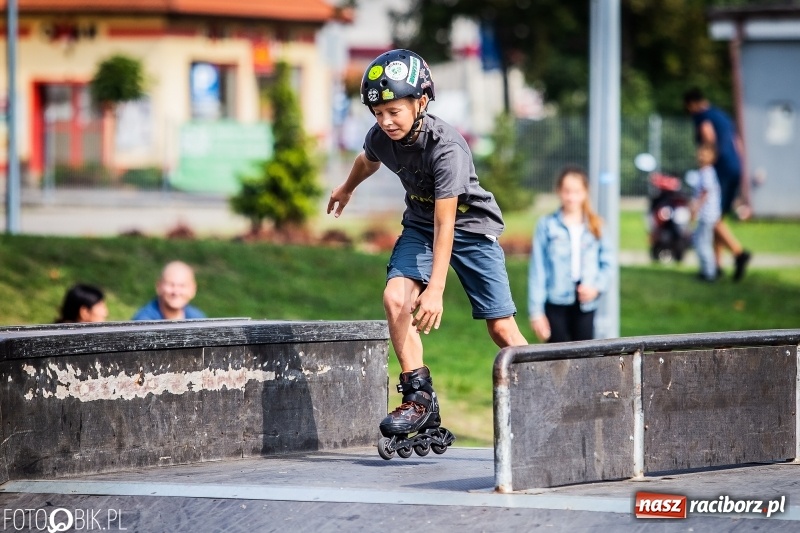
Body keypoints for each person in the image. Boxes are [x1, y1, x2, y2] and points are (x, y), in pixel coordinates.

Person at [327, 49, 528, 444]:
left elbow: (446, 222)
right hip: (420, 226)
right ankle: (419, 399)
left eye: (394, 112)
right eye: (377, 113)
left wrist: (436, 289)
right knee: (395, 298)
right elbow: (368, 160)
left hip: (471, 229)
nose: (385, 122)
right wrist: (346, 188)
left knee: (502, 327)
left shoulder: (447, 148)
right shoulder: (381, 137)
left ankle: (545, 393)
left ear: (420, 103)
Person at [528, 166, 614, 343]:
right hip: (555, 301)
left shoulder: (596, 225)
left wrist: (596, 287)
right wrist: (536, 312)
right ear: (558, 191)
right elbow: (538, 269)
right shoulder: (547, 225)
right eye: (567, 191)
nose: (571, 197)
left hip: (585, 302)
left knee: (583, 359)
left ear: (585, 192)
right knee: (556, 360)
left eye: (576, 191)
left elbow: (608, 263)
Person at [683, 88, 751, 281]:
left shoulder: (701, 116)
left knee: (714, 218)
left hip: (720, 169)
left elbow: (708, 136)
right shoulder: (723, 115)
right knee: (718, 216)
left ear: (691, 104)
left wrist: (707, 159)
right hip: (735, 166)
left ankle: (738, 253)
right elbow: (737, 142)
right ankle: (717, 264)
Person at [686, 144, 722, 282]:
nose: (701, 156)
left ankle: (709, 273)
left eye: (705, 154)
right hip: (706, 214)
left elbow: (705, 192)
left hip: (707, 215)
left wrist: (696, 207)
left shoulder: (707, 172)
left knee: (703, 243)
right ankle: (706, 270)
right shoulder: (703, 172)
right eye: (700, 153)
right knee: (701, 241)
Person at [132, 261, 206, 320]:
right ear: (159, 286)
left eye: (182, 286)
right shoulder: (144, 323)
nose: (176, 292)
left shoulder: (198, 318)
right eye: (171, 285)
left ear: (193, 289)